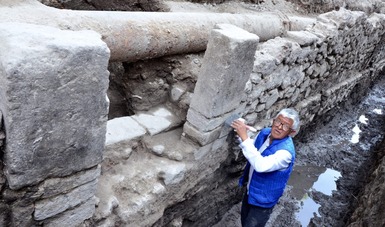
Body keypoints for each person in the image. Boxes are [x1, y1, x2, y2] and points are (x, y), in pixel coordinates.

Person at [231, 108, 300, 227]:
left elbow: (261, 165)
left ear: (291, 132)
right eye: (278, 121)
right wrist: (240, 136)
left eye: (285, 126)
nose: (279, 127)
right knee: (244, 221)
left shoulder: (286, 153)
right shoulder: (265, 133)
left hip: (263, 201)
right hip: (251, 191)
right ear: (273, 121)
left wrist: (244, 137)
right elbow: (253, 147)